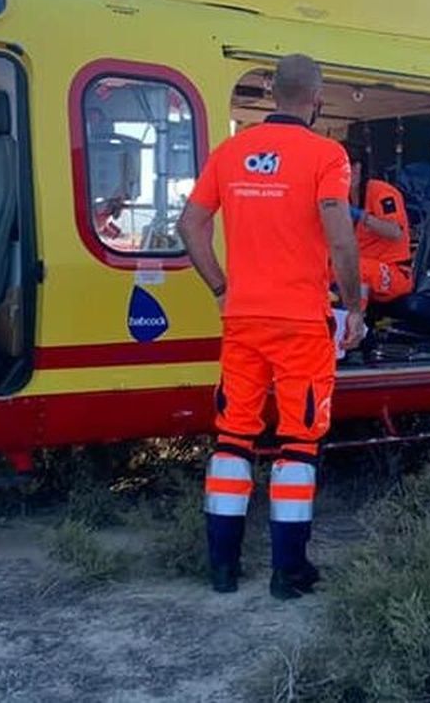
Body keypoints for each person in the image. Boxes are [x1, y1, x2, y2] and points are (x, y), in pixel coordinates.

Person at [176, 53, 366, 601]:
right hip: (301, 323)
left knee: (233, 437)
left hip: (242, 319)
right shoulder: (326, 155)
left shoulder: (230, 152)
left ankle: (222, 569)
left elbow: (190, 223)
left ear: (270, 93)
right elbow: (339, 235)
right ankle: (288, 572)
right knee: (298, 444)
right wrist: (353, 306)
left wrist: (219, 287)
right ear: (316, 101)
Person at [345, 143, 413, 304]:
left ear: (357, 168)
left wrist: (360, 216)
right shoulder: (341, 196)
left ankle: (354, 324)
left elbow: (396, 232)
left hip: (394, 272)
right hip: (362, 269)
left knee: (352, 269)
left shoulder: (381, 193)